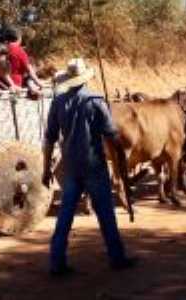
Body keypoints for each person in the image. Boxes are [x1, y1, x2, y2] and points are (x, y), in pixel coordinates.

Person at [42, 58, 136, 277]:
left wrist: (46, 169)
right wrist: (121, 156)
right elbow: (111, 134)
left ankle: (56, 262)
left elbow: (49, 139)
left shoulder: (58, 102)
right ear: (85, 78)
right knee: (106, 213)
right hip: (94, 164)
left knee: (65, 215)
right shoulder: (96, 101)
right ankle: (117, 258)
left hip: (71, 166)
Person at [2, 26, 44, 98]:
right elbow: (29, 70)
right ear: (19, 38)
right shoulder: (19, 50)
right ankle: (33, 89)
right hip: (16, 83)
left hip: (3, 84)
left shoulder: (1, 48)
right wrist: (38, 82)